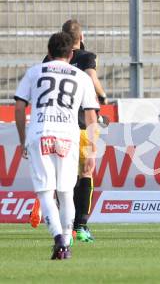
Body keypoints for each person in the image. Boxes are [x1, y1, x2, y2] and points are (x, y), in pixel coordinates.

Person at [15, 32, 99, 259]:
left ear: (48, 52)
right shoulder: (81, 77)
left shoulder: (34, 73)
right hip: (68, 137)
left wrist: (23, 139)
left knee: (46, 193)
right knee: (65, 192)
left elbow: (20, 107)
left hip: (40, 133)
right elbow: (91, 115)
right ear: (71, 54)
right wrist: (92, 150)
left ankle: (59, 240)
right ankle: (67, 238)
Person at [30, 19, 108, 243]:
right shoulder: (86, 57)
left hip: (56, 126)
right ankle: (80, 227)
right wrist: (102, 97)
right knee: (85, 173)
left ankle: (55, 218)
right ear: (81, 38)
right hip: (82, 126)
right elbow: (92, 79)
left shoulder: (49, 60)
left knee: (61, 176)